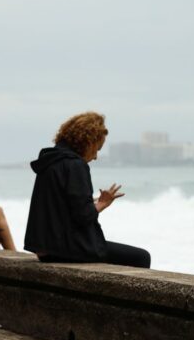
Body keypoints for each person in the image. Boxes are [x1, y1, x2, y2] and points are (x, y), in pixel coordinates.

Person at [24, 112, 151, 268]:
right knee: (141, 257)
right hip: (66, 249)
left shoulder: (51, 160)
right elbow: (82, 216)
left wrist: (87, 201)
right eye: (97, 149)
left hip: (46, 248)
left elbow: (58, 206)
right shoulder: (76, 165)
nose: (96, 156)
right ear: (88, 142)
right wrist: (102, 203)